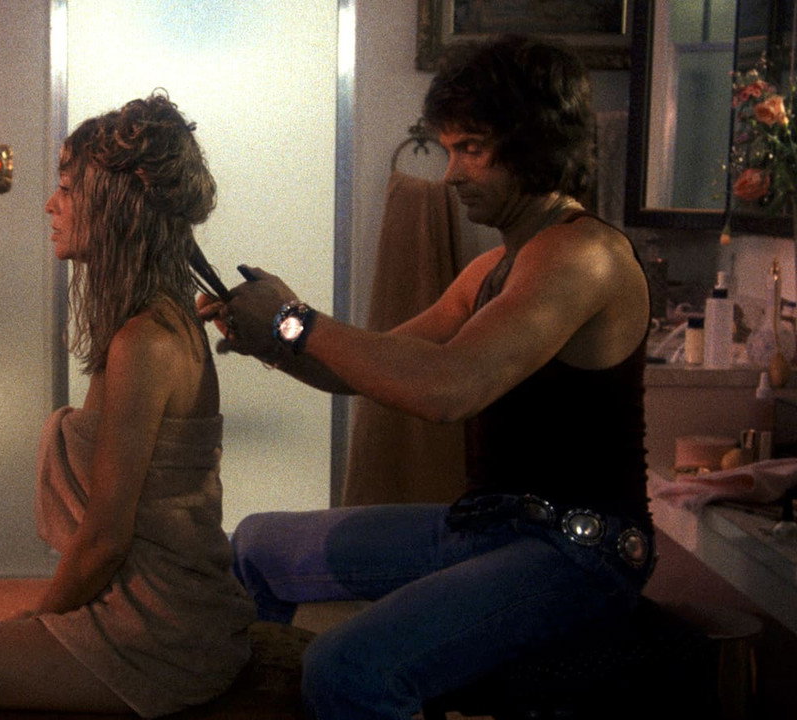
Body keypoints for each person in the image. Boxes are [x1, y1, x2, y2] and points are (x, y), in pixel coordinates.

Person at [198, 35, 654, 719]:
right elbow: (373, 368)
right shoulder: (491, 270)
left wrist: (295, 319)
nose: (449, 175)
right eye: (448, 149)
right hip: (489, 526)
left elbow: (448, 388)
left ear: (534, 141)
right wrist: (271, 337)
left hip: (580, 551)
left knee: (347, 666)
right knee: (255, 546)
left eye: (471, 148)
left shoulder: (584, 254)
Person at [0, 93, 256, 720]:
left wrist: (38, 619)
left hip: (157, 628)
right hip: (149, 594)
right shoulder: (157, 321)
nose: (49, 205)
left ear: (116, 206)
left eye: (66, 188)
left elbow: (104, 543)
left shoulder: (145, 342)